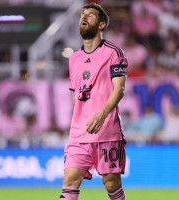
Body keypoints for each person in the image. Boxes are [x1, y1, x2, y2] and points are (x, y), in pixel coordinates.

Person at [59, 3, 128, 200]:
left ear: (101, 24)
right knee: (70, 179)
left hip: (107, 131)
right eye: (83, 14)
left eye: (90, 15)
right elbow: (76, 93)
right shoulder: (74, 58)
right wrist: (80, 118)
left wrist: (101, 114)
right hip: (79, 133)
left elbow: (119, 89)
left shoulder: (113, 52)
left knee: (111, 182)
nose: (84, 17)